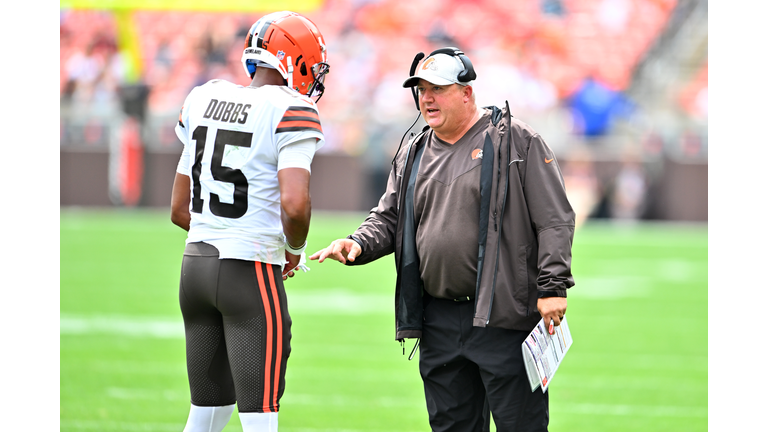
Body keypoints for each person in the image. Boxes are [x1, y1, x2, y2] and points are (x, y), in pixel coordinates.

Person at [310, 47, 575, 431]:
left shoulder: (516, 141)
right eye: (420, 89)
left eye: (437, 88)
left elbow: (555, 219)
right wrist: (359, 243)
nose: (426, 98)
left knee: (522, 425)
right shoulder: (413, 151)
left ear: (466, 92)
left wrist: (553, 286)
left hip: (503, 316)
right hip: (439, 320)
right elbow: (389, 216)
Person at [170, 11, 330, 432]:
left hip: (195, 268)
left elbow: (178, 209)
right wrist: (292, 251)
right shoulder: (292, 108)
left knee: (205, 415)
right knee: (260, 419)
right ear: (291, 59)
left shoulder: (203, 97)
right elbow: (295, 206)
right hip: (249, 273)